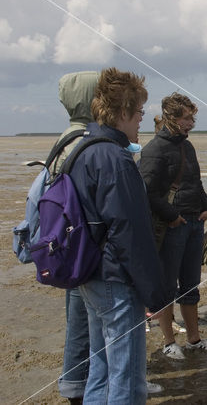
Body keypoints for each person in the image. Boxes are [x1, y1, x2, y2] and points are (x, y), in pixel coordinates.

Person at [70, 67, 170, 403]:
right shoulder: (114, 158)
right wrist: (156, 295)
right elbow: (130, 234)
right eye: (140, 111)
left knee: (100, 372)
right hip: (116, 282)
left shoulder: (83, 149)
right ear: (123, 112)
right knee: (127, 381)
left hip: (92, 278)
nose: (142, 119)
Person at [139, 92, 207, 359]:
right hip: (172, 226)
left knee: (190, 285)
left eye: (193, 117)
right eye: (187, 118)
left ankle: (194, 340)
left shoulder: (188, 146)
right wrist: (172, 215)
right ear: (171, 118)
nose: (191, 123)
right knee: (166, 287)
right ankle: (169, 343)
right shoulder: (154, 149)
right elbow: (147, 192)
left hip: (194, 222)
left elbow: (194, 182)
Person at [54, 71, 98, 404]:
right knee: (85, 323)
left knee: (79, 318)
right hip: (86, 249)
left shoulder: (65, 138)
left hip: (72, 247)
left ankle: (77, 385)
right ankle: (78, 388)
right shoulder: (83, 141)